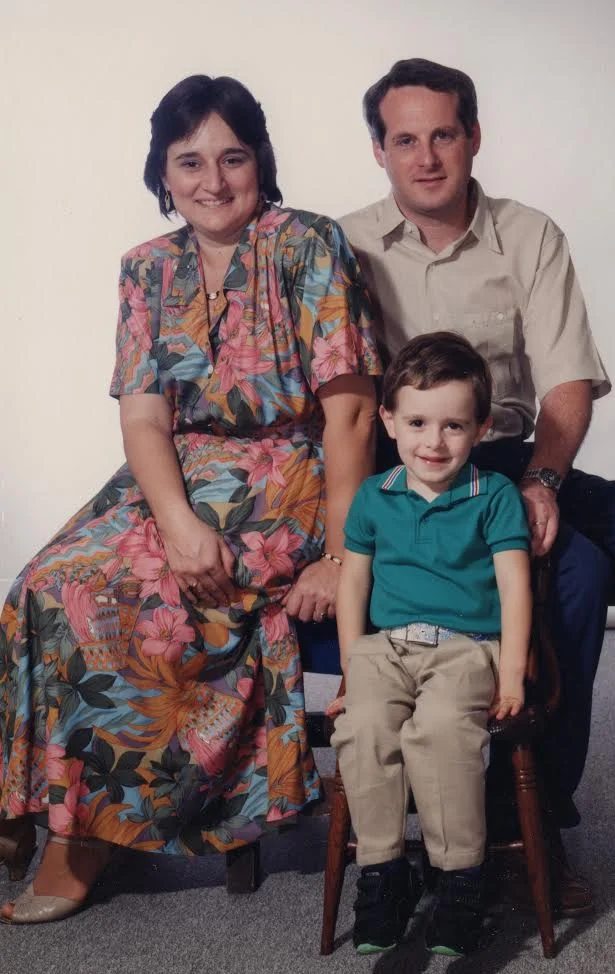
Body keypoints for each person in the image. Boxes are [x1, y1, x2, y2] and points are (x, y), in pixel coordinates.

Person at [339, 58, 615, 911]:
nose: (427, 156)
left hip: (517, 454)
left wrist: (546, 481)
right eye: (405, 139)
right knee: (580, 575)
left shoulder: (529, 234)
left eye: (444, 133)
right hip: (412, 474)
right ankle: (533, 821)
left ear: (473, 136)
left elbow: (564, 383)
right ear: (379, 151)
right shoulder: (345, 246)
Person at [0, 74, 381, 924]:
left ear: (260, 163)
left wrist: (341, 549)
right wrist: (175, 521)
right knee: (41, 584)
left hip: (290, 475)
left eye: (233, 157)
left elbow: (351, 411)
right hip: (175, 471)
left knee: (104, 596)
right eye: (190, 161)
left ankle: (82, 837)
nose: (213, 181)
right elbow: (143, 418)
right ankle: (36, 804)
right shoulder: (147, 268)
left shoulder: (308, 244)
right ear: (162, 173)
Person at [329, 332, 532, 956]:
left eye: (452, 425)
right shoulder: (373, 497)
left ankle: (459, 880)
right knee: (363, 730)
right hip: (385, 650)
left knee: (440, 730)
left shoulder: (492, 497)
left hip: (467, 649)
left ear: (482, 427)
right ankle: (384, 875)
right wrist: (351, 672)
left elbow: (515, 588)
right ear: (389, 420)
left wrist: (513, 676)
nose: (433, 442)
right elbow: (353, 583)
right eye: (417, 422)